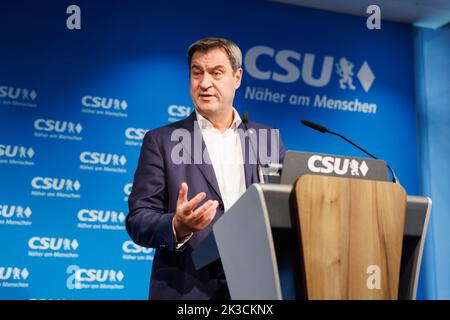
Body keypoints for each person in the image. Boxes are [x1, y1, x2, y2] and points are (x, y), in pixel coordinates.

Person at [126, 37, 285, 300]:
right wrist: (178, 225)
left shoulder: (266, 139)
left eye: (216, 73)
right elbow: (138, 219)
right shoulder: (162, 140)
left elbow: (281, 210)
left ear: (237, 77)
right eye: (196, 73)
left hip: (258, 289)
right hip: (189, 289)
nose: (205, 83)